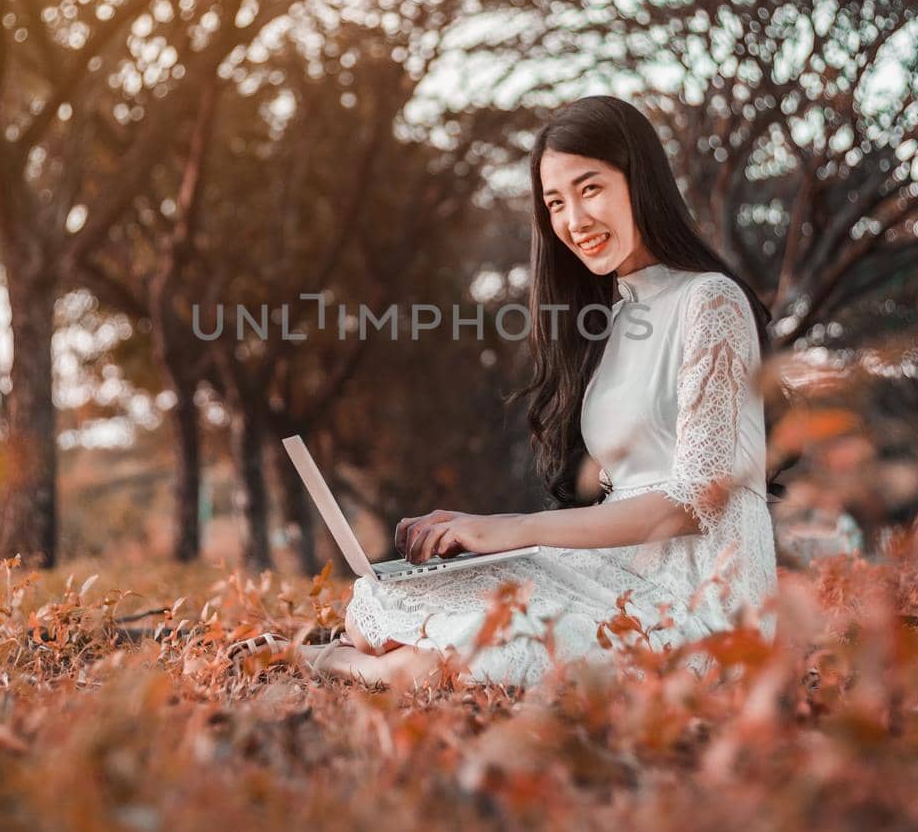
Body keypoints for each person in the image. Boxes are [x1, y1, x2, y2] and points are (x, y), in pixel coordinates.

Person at [303, 94, 781, 688]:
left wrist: (515, 529)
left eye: (590, 188)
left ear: (642, 181)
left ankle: (345, 663)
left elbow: (693, 504)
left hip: (707, 596)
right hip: (619, 572)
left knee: (517, 651)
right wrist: (491, 540)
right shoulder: (613, 321)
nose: (574, 221)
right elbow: (618, 495)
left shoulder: (710, 301)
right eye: (556, 202)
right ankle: (386, 658)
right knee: (393, 598)